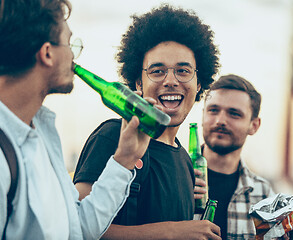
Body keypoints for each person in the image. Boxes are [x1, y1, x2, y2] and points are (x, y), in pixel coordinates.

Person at [0, 0, 149, 239]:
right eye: (69, 43)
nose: (73, 56)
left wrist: (125, 158)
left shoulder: (41, 134)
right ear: (47, 53)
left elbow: (77, 228)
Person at [73, 4, 222, 240]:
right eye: (157, 71)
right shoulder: (113, 136)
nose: (171, 80)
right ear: (138, 84)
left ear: (199, 83)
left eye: (183, 71)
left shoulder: (185, 161)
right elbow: (75, 229)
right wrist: (174, 232)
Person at [195, 74, 275, 239]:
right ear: (203, 116)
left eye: (234, 114)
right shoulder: (174, 177)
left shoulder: (263, 194)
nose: (220, 120)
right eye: (213, 110)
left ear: (254, 125)